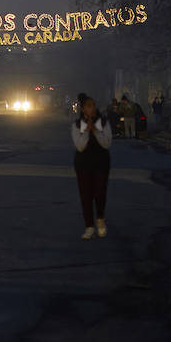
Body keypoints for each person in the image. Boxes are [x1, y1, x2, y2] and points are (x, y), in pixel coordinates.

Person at [71, 93, 113, 239]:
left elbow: (107, 143)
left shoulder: (103, 122)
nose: (92, 108)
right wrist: (87, 131)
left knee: (100, 192)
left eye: (93, 105)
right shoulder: (77, 125)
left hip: (101, 162)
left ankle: (100, 219)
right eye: (89, 106)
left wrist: (95, 130)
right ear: (83, 109)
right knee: (85, 195)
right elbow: (80, 146)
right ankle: (89, 226)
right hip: (83, 164)